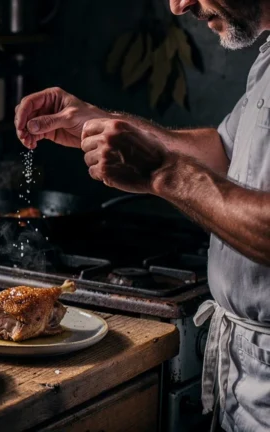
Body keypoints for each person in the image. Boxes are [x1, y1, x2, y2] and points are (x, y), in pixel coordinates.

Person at [15, 1, 270, 431]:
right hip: (247, 382)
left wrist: (163, 172)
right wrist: (103, 123)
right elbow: (227, 156)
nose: (178, 5)